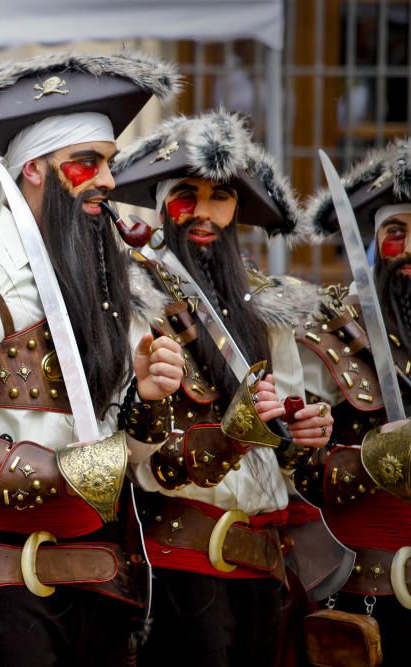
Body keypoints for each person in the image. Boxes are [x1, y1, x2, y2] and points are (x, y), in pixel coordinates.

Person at [0, 52, 185, 666]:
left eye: (109, 164)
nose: (108, 181)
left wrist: (149, 399)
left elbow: (126, 453)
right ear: (33, 169)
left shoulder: (119, 278)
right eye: (85, 164)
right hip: (1, 581)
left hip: (103, 574)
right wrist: (42, 473)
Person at [109, 110, 338, 667]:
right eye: (188, 194)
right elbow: (132, 449)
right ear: (163, 203)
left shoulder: (270, 306)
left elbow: (287, 440)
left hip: (266, 565)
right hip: (181, 563)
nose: (205, 213)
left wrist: (307, 431)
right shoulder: (132, 291)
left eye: (221, 196)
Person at [295, 137, 411, 667]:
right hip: (365, 595)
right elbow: (297, 469)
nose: (409, 249)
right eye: (396, 233)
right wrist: (372, 460)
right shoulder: (331, 333)